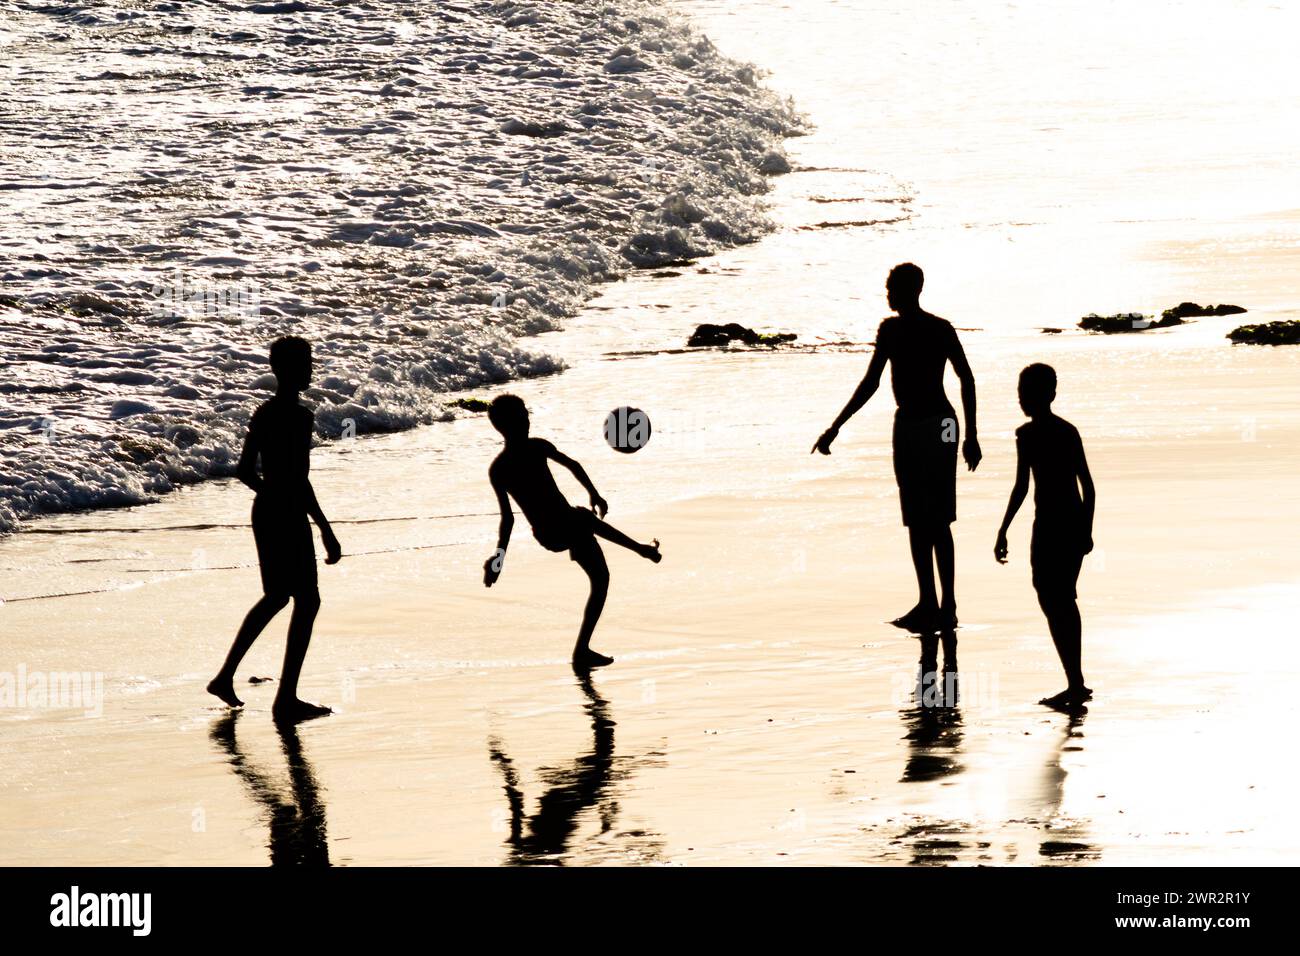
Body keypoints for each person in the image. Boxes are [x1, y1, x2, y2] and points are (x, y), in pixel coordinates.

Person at [813, 263, 981, 633]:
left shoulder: (938, 328)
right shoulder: (892, 330)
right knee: (917, 519)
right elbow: (871, 382)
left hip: (941, 425)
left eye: (892, 288)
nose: (887, 294)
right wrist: (836, 426)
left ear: (912, 290)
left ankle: (947, 603)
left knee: (937, 517)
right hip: (908, 426)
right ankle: (929, 602)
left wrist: (971, 436)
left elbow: (965, 377)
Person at [207, 336, 341, 723]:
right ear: (283, 370)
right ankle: (284, 699)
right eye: (304, 364)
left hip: (277, 511)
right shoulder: (284, 416)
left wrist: (314, 521)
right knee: (300, 599)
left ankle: (228, 677)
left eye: (310, 362)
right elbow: (267, 474)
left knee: (281, 597)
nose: (310, 370)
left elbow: (277, 475)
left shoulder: (284, 413)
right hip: (279, 513)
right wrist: (310, 518)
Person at [483, 394, 661, 669]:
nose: (527, 421)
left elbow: (573, 465)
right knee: (583, 518)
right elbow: (508, 519)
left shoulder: (536, 447)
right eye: (521, 418)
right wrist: (498, 558)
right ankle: (641, 549)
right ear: (504, 426)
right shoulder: (501, 468)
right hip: (550, 532)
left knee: (601, 578)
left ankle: (582, 650)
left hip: (568, 525)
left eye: (527, 416)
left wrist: (594, 493)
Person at [994, 363, 1095, 709]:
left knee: (1060, 599)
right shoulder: (1028, 435)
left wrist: (1087, 530)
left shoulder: (1064, 432)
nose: (1024, 400)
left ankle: (1075, 683)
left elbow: (1088, 486)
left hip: (1064, 524)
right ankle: (1075, 681)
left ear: (1050, 395)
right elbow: (1022, 487)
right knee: (1054, 598)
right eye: (1022, 393)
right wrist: (1004, 528)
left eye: (1031, 393)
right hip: (1046, 525)